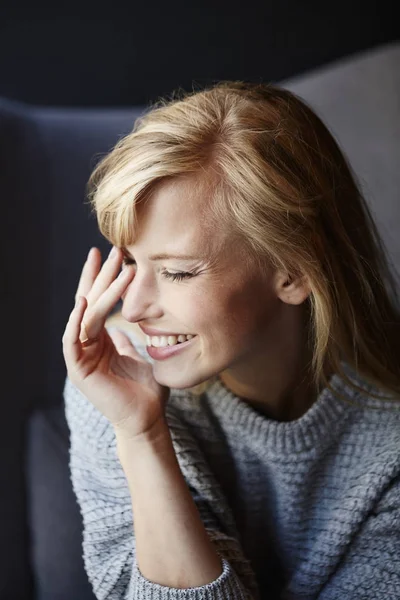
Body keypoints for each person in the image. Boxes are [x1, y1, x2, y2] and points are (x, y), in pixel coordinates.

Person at [62, 81, 400, 600]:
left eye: (176, 272)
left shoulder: (388, 439)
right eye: (130, 262)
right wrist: (142, 436)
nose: (132, 308)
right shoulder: (115, 381)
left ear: (292, 271)